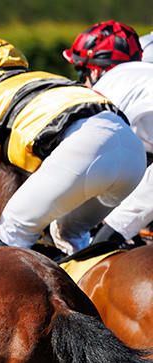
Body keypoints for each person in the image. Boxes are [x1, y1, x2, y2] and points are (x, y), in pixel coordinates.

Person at [0, 35, 145, 255]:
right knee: (67, 235)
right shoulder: (49, 79)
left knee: (10, 232)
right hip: (133, 154)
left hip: (87, 147)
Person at [63, 21, 153, 248]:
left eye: (80, 71)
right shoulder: (141, 77)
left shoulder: (111, 85)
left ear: (94, 70)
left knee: (98, 243)